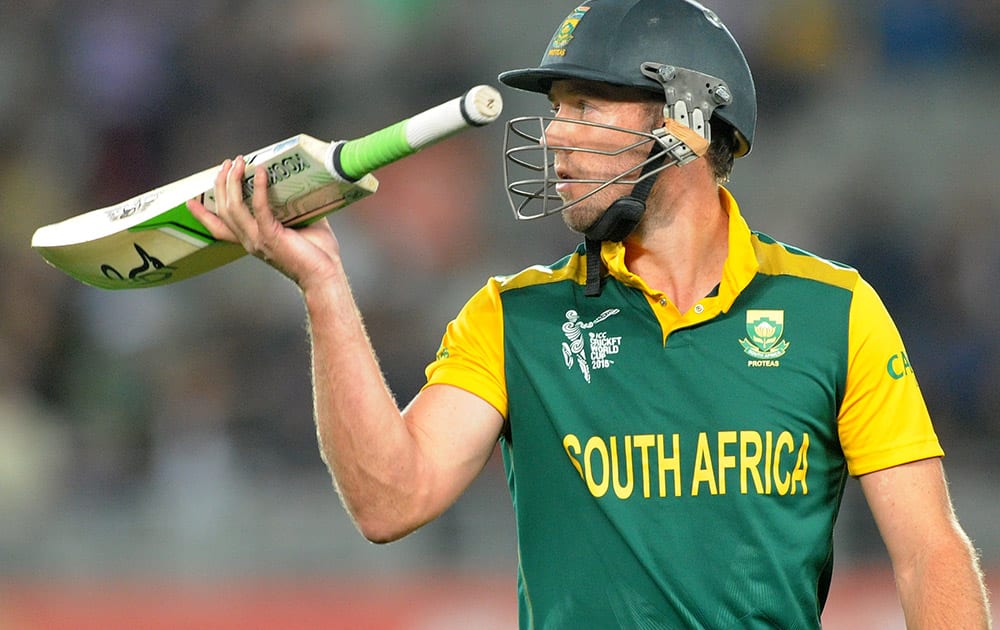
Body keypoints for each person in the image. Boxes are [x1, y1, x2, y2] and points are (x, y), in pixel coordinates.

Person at [189, 0, 992, 627]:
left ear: (685, 117)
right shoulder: (513, 320)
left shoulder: (833, 312)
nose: (556, 138)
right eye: (556, 110)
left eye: (586, 106)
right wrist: (325, 288)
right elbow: (388, 501)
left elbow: (930, 557)